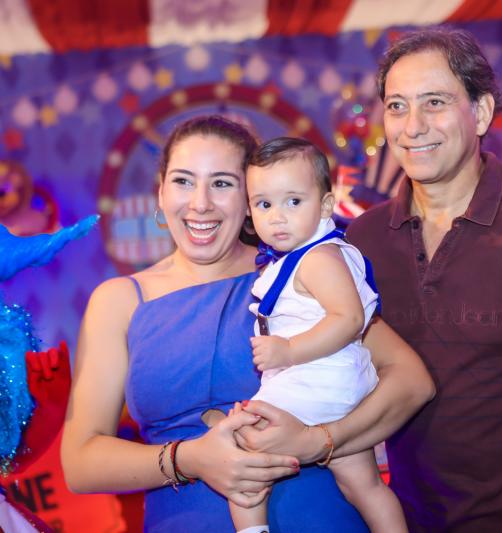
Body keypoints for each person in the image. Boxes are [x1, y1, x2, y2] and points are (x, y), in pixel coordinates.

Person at [61, 115, 435, 532]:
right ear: (161, 192)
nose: (200, 203)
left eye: (222, 183)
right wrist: (190, 459)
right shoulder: (119, 300)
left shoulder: (294, 276)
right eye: (183, 181)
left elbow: (412, 381)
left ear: (251, 199)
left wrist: (321, 441)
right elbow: (81, 462)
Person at [345, 28, 502, 531]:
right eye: (397, 106)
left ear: (480, 113)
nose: (412, 127)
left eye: (434, 103)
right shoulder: (363, 238)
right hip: (406, 519)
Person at [224, 137, 407, 533]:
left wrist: (289, 350)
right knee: (363, 485)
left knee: (240, 450)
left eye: (293, 201)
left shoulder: (317, 259)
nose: (277, 217)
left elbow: (349, 318)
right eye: (264, 204)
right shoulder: (309, 255)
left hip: (317, 379)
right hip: (338, 384)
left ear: (325, 205)